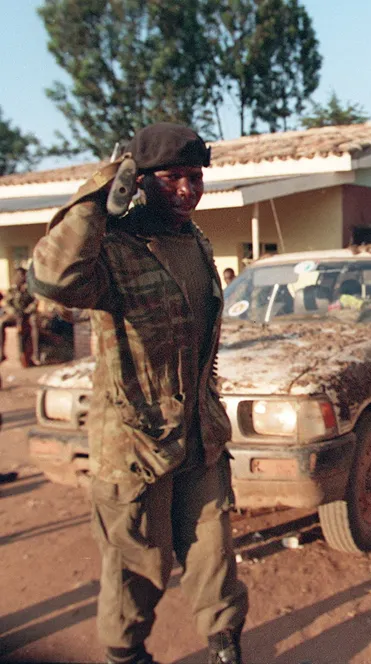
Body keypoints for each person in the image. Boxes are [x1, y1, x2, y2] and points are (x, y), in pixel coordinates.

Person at [29, 123, 248, 664]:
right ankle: (124, 654)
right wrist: (103, 189)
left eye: (195, 178)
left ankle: (225, 647)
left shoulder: (195, 241)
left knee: (214, 559)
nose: (187, 190)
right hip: (134, 447)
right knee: (136, 570)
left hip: (199, 435)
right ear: (141, 179)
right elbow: (53, 279)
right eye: (173, 178)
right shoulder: (113, 248)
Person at [1, 267, 39, 365]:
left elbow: (35, 301)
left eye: (22, 275)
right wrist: (13, 311)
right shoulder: (12, 289)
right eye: (18, 275)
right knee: (2, 323)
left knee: (34, 323)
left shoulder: (30, 289)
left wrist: (27, 311)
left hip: (27, 314)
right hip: (15, 314)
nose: (20, 277)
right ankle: (1, 353)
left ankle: (36, 354)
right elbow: (7, 303)